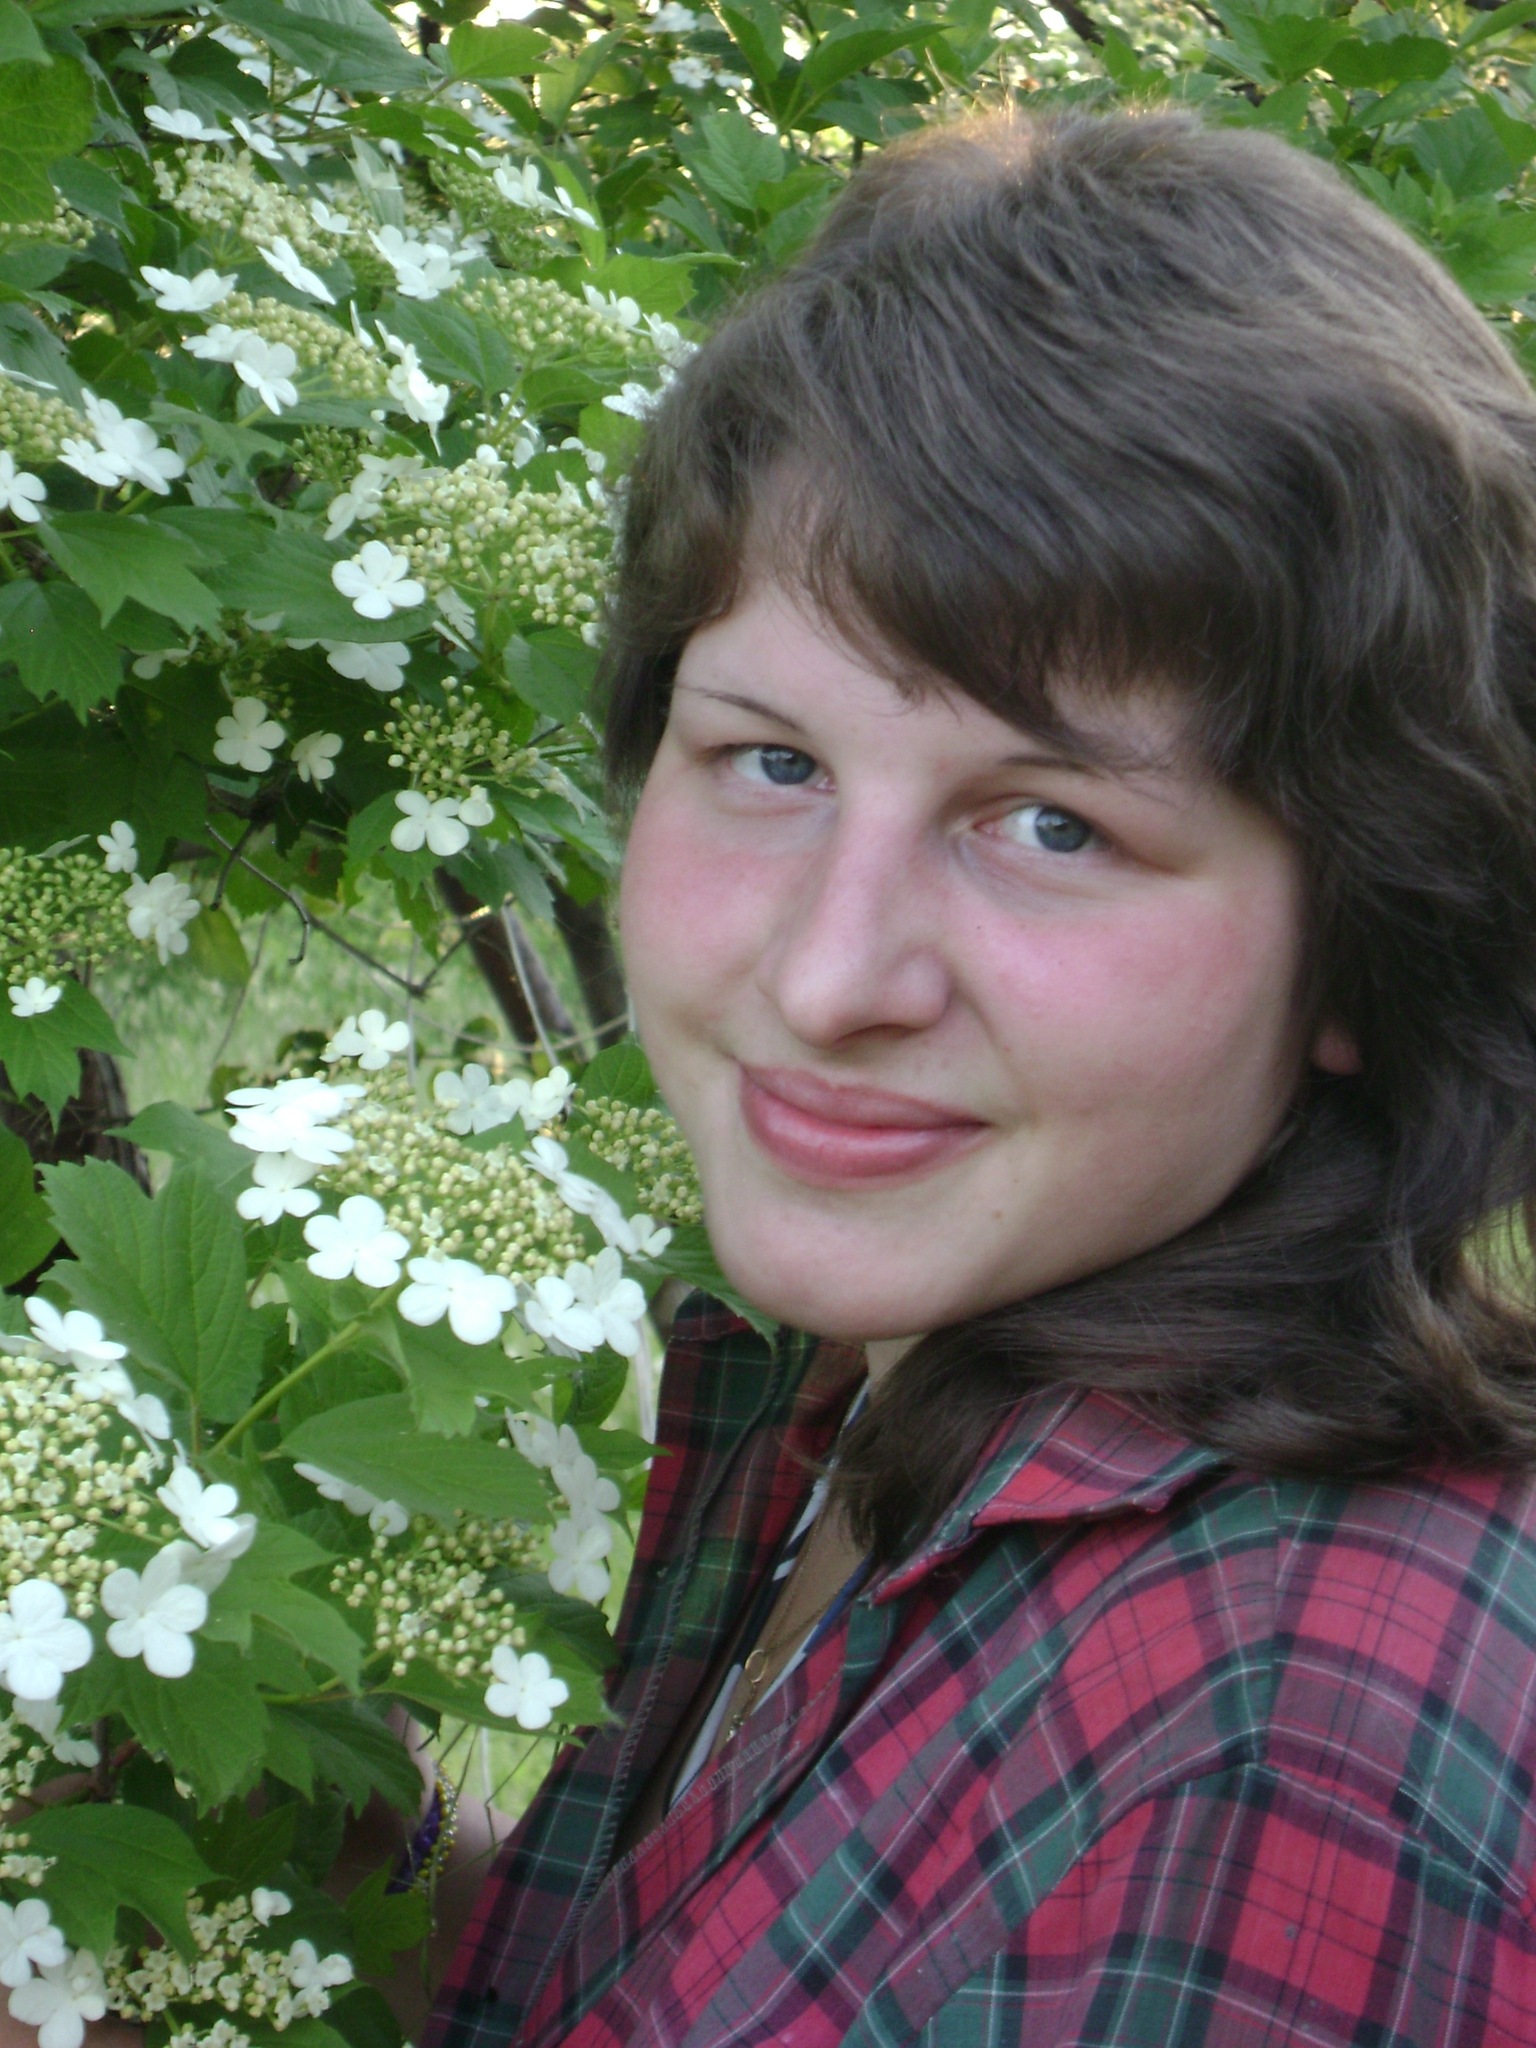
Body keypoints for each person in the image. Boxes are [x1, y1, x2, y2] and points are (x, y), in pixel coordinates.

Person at [419, 103, 1536, 2043]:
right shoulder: (878, 1381)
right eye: (771, 761)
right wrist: (338, 1878)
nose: (828, 975)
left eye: (1050, 825)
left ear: (1376, 932)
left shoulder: (1283, 1770)